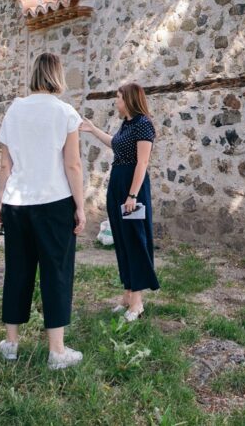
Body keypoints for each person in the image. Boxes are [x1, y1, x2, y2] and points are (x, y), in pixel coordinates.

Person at [0, 53, 86, 370]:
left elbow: (5, 164)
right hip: (55, 202)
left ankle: (11, 343)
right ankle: (56, 351)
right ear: (57, 76)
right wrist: (81, 206)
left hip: (17, 203)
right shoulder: (65, 113)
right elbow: (72, 164)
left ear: (34, 74)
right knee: (56, 272)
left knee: (17, 270)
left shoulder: (14, 110)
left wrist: (1, 201)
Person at [79, 82, 159, 321]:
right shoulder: (127, 124)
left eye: (118, 98)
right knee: (122, 241)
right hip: (118, 184)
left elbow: (142, 163)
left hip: (132, 188)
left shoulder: (144, 124)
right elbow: (115, 144)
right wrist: (93, 129)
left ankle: (137, 302)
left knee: (135, 240)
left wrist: (132, 195)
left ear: (130, 100)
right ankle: (127, 296)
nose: (116, 101)